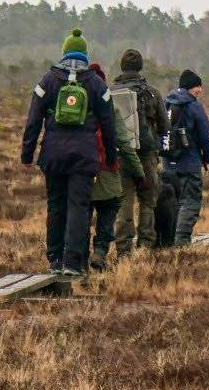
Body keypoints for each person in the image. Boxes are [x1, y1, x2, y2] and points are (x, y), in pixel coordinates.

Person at [21, 28, 123, 276]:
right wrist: (110, 156)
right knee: (79, 206)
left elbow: (33, 119)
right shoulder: (97, 84)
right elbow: (109, 124)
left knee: (56, 205)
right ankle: (73, 263)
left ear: (65, 52)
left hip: (53, 154)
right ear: (85, 54)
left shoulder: (47, 80)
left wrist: (28, 152)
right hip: (84, 156)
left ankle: (54, 259)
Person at [87, 62, 146, 269]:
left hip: (80, 171)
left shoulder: (75, 108)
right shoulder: (110, 108)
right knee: (108, 212)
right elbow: (124, 144)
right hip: (107, 171)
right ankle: (100, 253)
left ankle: (78, 259)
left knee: (81, 216)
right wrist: (139, 173)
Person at [112, 48, 168, 255]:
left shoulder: (110, 92)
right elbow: (165, 126)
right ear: (140, 67)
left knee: (123, 201)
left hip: (120, 154)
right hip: (146, 155)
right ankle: (145, 245)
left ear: (122, 67)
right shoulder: (152, 92)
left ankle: (123, 250)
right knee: (148, 199)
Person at [160, 69, 209, 245]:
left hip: (168, 164)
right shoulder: (193, 105)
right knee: (190, 202)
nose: (200, 91)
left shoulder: (166, 103)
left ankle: (166, 241)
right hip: (190, 163)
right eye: (198, 87)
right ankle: (181, 241)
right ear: (192, 88)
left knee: (172, 203)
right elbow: (205, 133)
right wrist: (207, 157)